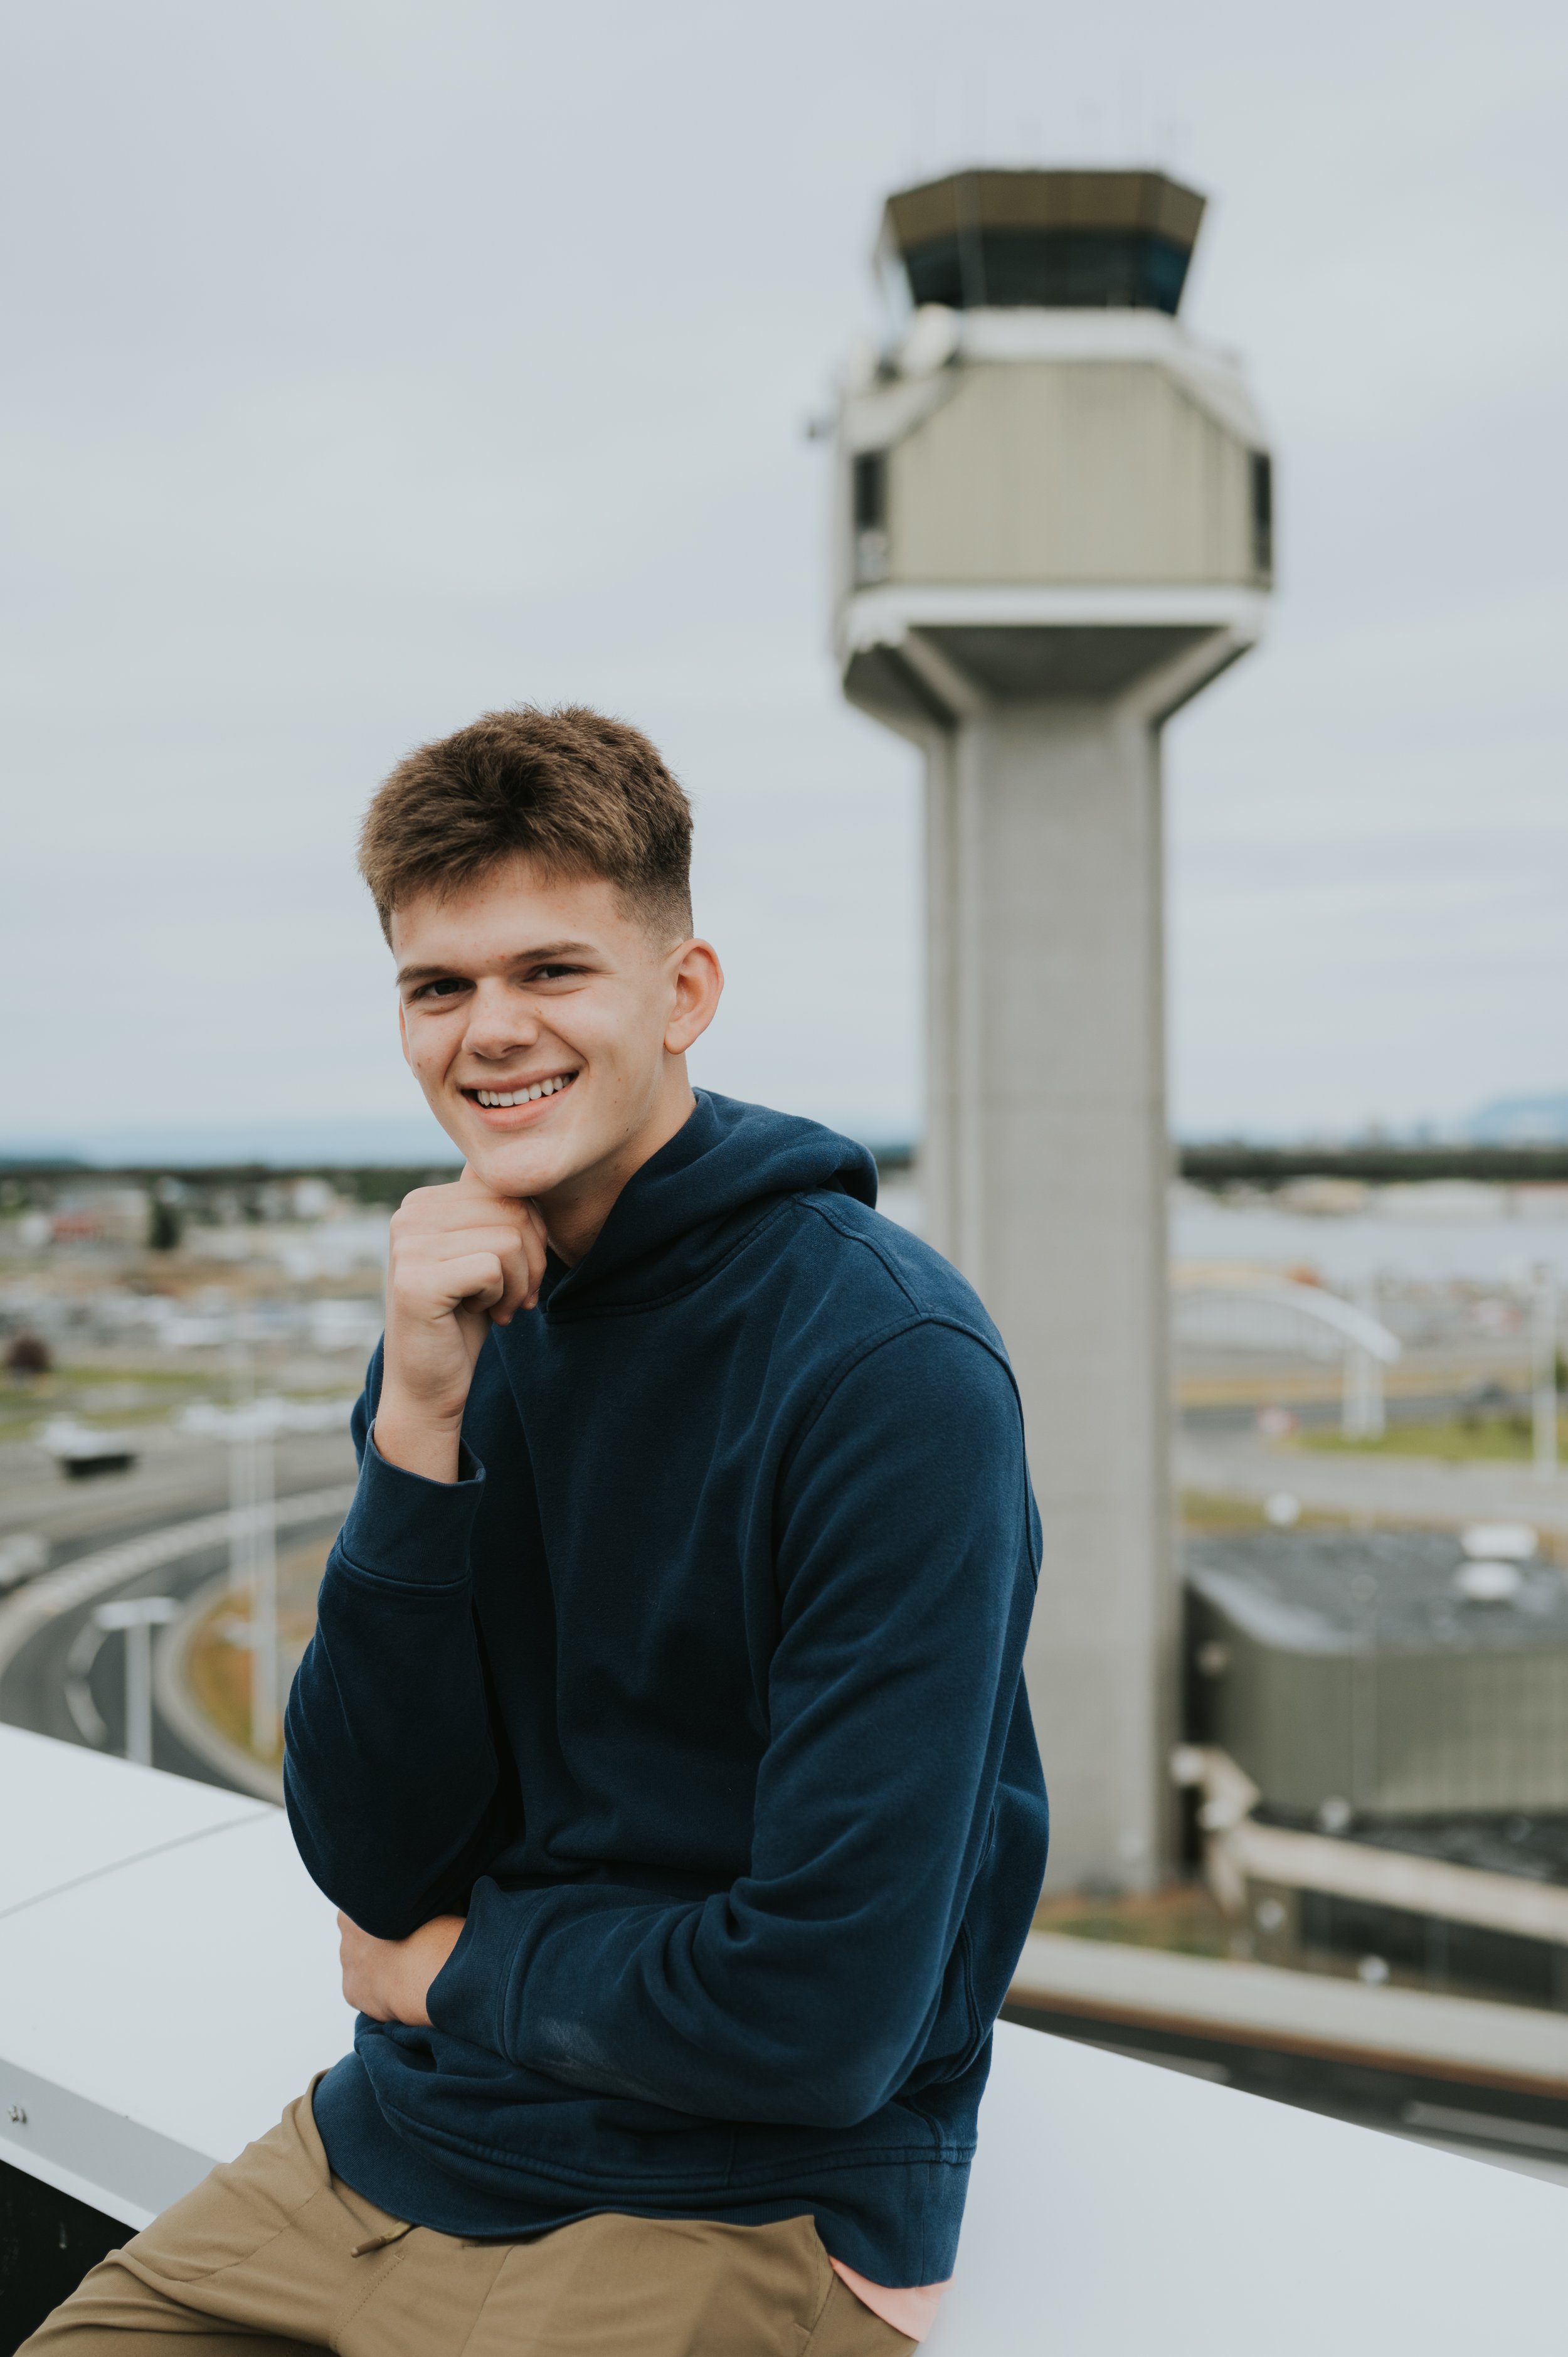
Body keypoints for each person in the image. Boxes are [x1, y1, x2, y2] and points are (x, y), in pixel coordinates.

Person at [26, 707, 1048, 2356]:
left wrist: (442, 1977)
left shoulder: (885, 1366)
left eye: (550, 971)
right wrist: (416, 1426)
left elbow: (818, 2016)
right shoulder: (456, 1318)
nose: (488, 1032)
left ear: (682, 992)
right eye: (439, 987)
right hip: (399, 2143)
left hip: (742, 2199)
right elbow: (369, 1855)